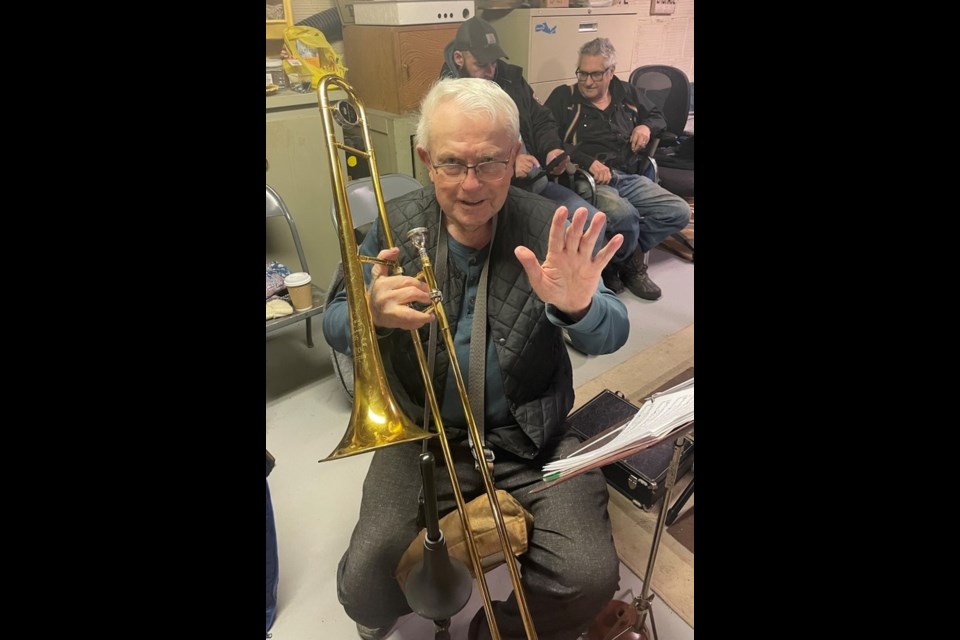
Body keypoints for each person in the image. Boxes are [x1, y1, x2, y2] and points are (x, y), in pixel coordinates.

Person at [323, 77, 628, 640]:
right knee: (364, 587)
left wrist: (581, 307)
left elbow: (612, 333)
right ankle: (392, 600)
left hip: (533, 436)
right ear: (425, 159)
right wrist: (367, 313)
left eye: (489, 163)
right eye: (451, 163)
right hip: (420, 434)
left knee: (589, 577)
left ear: (515, 158)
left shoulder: (551, 225)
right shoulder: (388, 228)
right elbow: (334, 324)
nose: (471, 185)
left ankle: (499, 631)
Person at [439, 17, 640, 263]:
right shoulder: (450, 100)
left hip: (538, 180)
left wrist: (551, 150)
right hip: (499, 193)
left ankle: (588, 284)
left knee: (591, 227)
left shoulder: (511, 79)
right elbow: (458, 160)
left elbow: (541, 119)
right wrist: (508, 166)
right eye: (481, 64)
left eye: (493, 62)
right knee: (566, 234)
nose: (490, 71)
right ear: (460, 59)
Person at [545, 37, 692, 301]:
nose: (587, 82)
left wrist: (645, 127)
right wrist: (587, 161)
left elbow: (657, 116)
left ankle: (618, 259)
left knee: (677, 212)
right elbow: (548, 139)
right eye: (582, 74)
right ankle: (631, 265)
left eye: (596, 74)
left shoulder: (627, 93)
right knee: (625, 216)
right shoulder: (564, 98)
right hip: (586, 178)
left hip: (629, 174)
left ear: (611, 72)